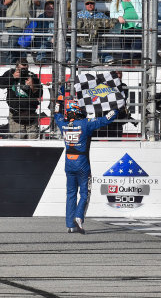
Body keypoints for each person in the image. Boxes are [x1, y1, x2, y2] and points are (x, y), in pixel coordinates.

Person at [54, 99, 117, 233]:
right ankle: (78, 217)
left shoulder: (62, 123)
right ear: (77, 111)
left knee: (70, 193)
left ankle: (70, 225)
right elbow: (105, 120)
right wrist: (116, 109)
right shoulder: (85, 123)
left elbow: (56, 114)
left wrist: (60, 96)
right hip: (82, 163)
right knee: (85, 193)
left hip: (68, 162)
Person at [1, 0, 40, 65]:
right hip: (14, 23)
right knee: (12, 47)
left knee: (23, 49)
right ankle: (10, 67)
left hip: (27, 24)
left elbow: (38, 3)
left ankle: (22, 69)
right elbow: (4, 2)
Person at [0, 58, 42, 139]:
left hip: (30, 113)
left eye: (25, 69)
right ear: (16, 67)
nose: (23, 71)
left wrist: (32, 86)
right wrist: (12, 77)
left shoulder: (32, 76)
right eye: (21, 69)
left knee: (33, 137)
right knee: (18, 136)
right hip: (15, 112)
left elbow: (40, 94)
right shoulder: (11, 73)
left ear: (28, 67)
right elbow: (1, 84)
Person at [110, 0, 143, 65]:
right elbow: (112, 13)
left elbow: (145, 9)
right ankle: (126, 65)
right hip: (124, 27)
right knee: (125, 48)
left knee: (137, 47)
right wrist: (118, 17)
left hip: (137, 26)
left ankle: (136, 65)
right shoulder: (116, 0)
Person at [77, 0, 116, 64]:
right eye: (87, 3)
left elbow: (110, 23)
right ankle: (79, 60)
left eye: (91, 3)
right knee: (77, 49)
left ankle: (107, 60)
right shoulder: (78, 15)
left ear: (94, 4)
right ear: (85, 4)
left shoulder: (101, 15)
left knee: (106, 54)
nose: (90, 5)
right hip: (82, 42)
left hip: (97, 41)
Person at [34, 0, 54, 64]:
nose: (50, 10)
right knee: (43, 43)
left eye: (52, 8)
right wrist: (50, 39)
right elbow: (39, 32)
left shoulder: (59, 18)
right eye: (48, 8)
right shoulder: (40, 18)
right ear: (45, 9)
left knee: (67, 45)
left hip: (56, 41)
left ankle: (69, 62)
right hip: (42, 40)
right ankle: (40, 60)